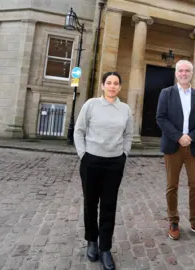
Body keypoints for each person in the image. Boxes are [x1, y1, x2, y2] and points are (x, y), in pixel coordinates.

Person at [74, 71, 133, 270]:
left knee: (109, 206)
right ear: (102, 85)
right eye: (109, 82)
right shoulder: (91, 105)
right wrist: (83, 154)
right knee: (90, 203)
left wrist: (124, 155)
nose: (112, 86)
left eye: (116, 83)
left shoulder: (124, 109)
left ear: (120, 87)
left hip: (114, 163)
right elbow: (79, 130)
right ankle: (91, 240)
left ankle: (105, 247)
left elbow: (129, 135)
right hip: (91, 161)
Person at [156, 60, 195, 240]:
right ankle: (173, 221)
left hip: (193, 148)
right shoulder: (166, 93)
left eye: (187, 70)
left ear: (192, 73)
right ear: (176, 73)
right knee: (172, 186)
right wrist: (178, 136)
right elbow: (161, 118)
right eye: (180, 70)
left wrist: (192, 136)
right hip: (173, 146)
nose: (183, 73)